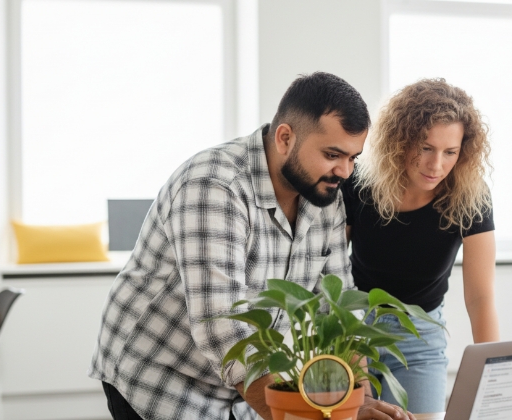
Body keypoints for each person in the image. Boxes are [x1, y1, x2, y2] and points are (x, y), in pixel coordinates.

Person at [89, 72, 412, 420]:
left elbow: (339, 309)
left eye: (353, 158)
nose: (345, 171)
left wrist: (358, 402)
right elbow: (223, 327)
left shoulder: (326, 195)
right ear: (285, 138)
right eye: (333, 154)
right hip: (163, 378)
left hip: (245, 388)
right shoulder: (214, 185)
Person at [343, 78, 499, 414]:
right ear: (401, 141)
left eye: (450, 152)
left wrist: (495, 376)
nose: (436, 164)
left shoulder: (471, 196)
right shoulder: (358, 184)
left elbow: (480, 297)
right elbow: (329, 277)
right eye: (425, 148)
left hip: (421, 338)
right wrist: (356, 370)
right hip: (353, 328)